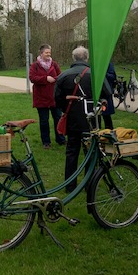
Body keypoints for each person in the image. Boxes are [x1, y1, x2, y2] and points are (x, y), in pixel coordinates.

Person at [55, 46, 110, 192]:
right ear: (86, 58)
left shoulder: (63, 75)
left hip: (72, 118)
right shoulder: (95, 74)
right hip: (91, 118)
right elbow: (108, 92)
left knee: (72, 151)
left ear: (74, 58)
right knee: (91, 152)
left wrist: (66, 108)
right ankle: (90, 184)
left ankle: (70, 186)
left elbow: (57, 98)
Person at [29, 44, 65, 148]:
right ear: (41, 53)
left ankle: (61, 139)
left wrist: (56, 79)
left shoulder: (54, 64)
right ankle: (46, 142)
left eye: (49, 52)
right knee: (44, 121)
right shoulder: (35, 65)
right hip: (41, 98)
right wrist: (45, 79)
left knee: (58, 119)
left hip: (54, 97)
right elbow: (32, 78)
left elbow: (60, 76)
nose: (48, 54)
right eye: (46, 52)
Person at [100, 62, 116, 130]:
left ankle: (109, 130)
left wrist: (103, 74)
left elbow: (113, 77)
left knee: (106, 114)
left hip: (105, 92)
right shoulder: (93, 63)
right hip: (95, 91)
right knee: (95, 114)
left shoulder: (107, 64)